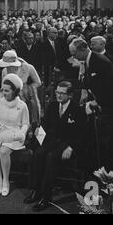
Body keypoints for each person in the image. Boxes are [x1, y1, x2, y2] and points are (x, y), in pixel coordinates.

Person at [25, 81, 87, 212]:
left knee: (51, 157)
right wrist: (38, 135)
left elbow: (82, 135)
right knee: (38, 153)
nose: (58, 95)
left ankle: (46, 197)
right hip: (52, 141)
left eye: (61, 93)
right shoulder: (53, 106)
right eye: (57, 92)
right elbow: (45, 125)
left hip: (67, 143)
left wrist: (70, 148)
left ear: (70, 95)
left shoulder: (78, 110)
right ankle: (36, 191)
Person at [69, 38, 113, 169]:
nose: (73, 57)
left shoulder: (101, 62)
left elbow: (110, 87)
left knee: (104, 142)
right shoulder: (86, 61)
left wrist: (97, 101)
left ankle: (105, 170)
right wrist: (85, 93)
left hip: (107, 107)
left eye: (74, 54)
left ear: (83, 49)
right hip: (95, 104)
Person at [0, 74, 30, 197]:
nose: (3, 92)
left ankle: (6, 181)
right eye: (2, 89)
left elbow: (25, 124)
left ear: (15, 91)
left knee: (3, 151)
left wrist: (21, 134)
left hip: (15, 133)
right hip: (1, 131)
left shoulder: (22, 105)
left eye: (7, 90)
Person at [0, 50, 42, 128]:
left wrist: (27, 89)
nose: (8, 68)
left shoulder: (28, 68)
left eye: (9, 66)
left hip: (27, 98)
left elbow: (38, 82)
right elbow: (3, 88)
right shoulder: (4, 71)